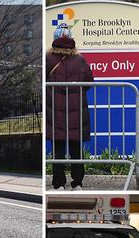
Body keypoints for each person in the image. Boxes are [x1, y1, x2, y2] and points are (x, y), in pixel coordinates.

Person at [46, 23, 94, 191]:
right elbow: (89, 82)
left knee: (58, 149)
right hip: (76, 111)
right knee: (76, 149)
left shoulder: (48, 58)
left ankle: (59, 184)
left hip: (54, 111)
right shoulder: (80, 59)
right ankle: (77, 183)